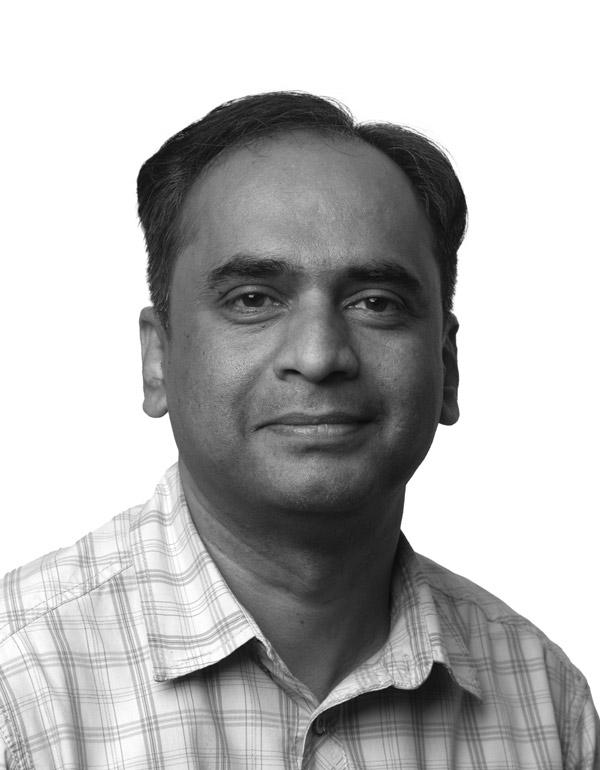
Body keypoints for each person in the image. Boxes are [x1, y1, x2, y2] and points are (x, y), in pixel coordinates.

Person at [0, 92, 597, 770]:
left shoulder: (548, 705)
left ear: (447, 367)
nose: (318, 356)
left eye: (376, 302)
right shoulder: (17, 686)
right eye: (253, 299)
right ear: (157, 359)